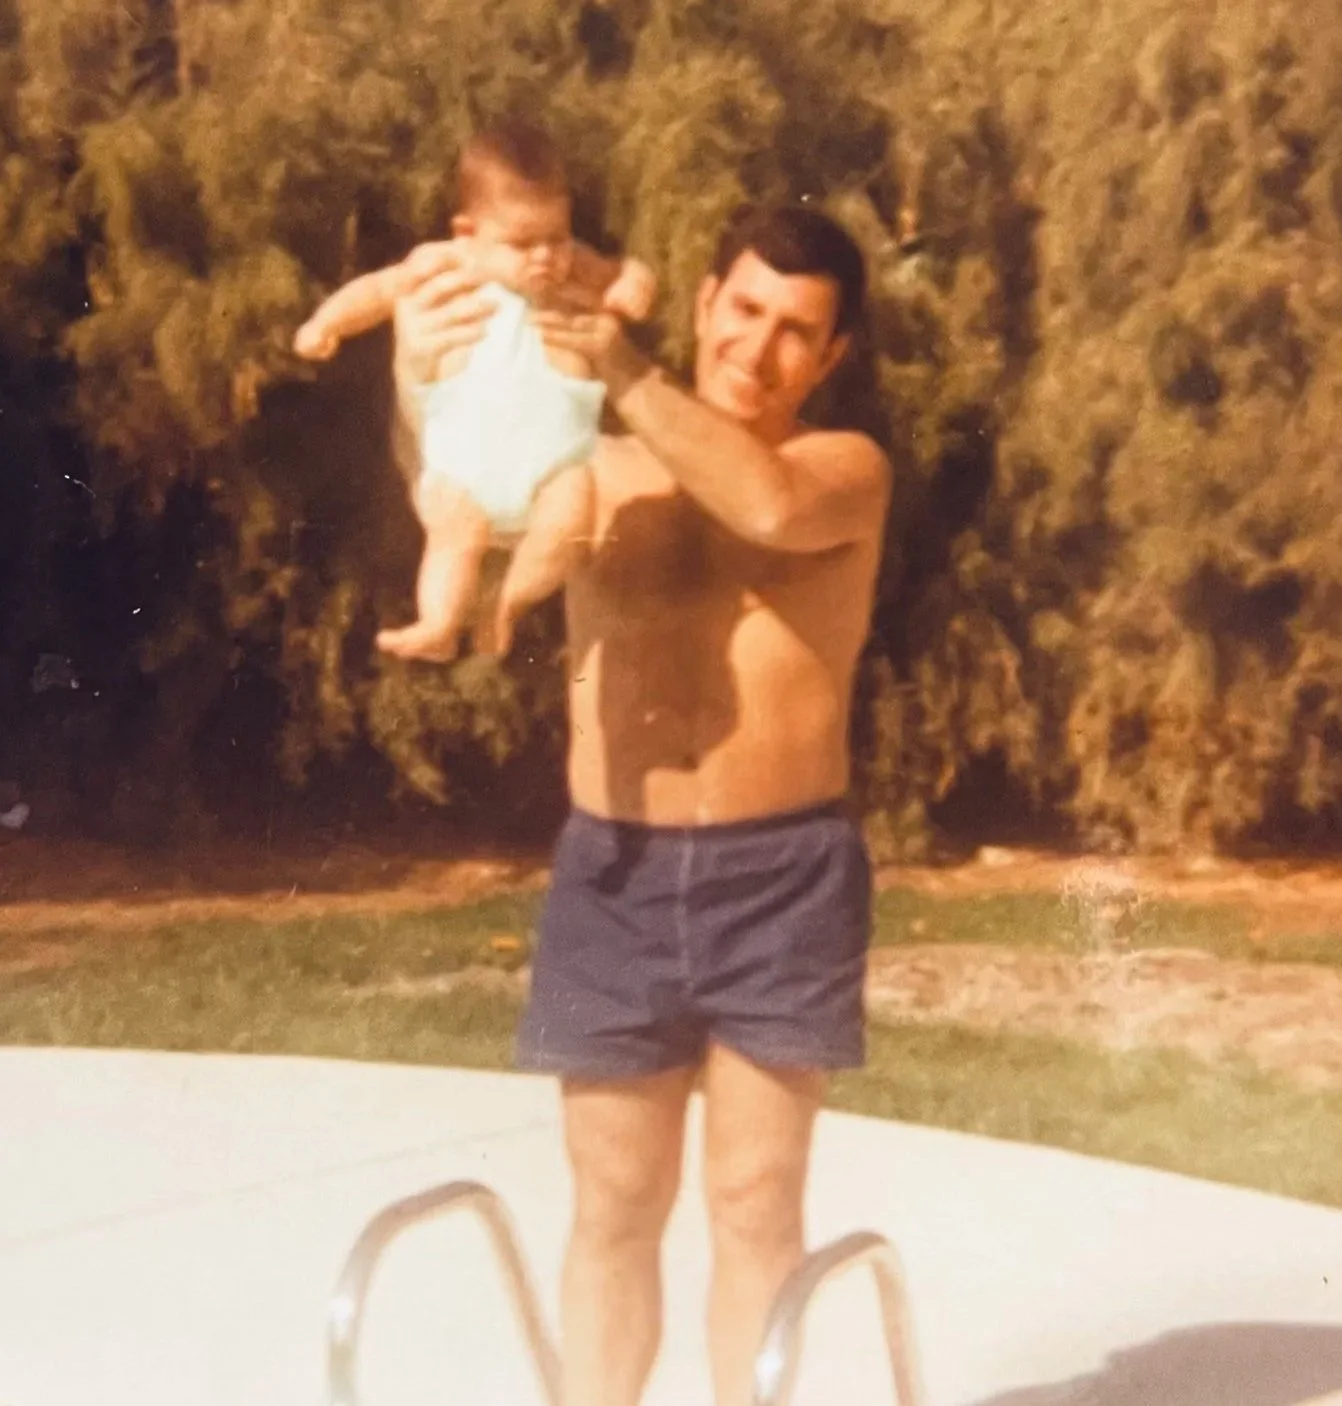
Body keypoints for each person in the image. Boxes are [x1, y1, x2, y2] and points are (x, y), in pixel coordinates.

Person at [391, 203, 888, 1406]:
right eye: (746, 309)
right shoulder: (593, 471)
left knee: (754, 1201)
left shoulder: (840, 470)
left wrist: (619, 357)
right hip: (611, 873)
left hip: (781, 877)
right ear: (709, 297)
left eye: (795, 332)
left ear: (828, 360)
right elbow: (450, 493)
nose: (760, 346)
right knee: (613, 1205)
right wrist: (412, 381)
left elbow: (760, 504)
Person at [293, 119, 658, 661]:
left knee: (571, 511)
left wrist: (633, 288)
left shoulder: (572, 265)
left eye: (556, 236)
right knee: (452, 536)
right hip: (465, 465)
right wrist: (325, 324)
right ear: (467, 233)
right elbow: (377, 290)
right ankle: (438, 623)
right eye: (521, 243)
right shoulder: (444, 262)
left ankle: (512, 599)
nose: (544, 257)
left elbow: (629, 271)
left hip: (554, 464)